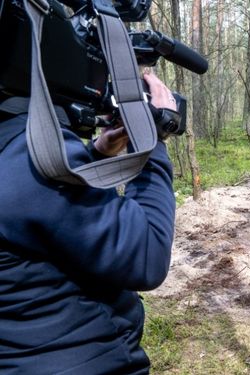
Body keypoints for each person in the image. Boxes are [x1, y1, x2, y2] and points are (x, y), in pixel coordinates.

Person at [0, 70, 177, 374]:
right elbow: (147, 255)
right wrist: (153, 141)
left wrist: (93, 156)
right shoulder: (25, 154)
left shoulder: (12, 153)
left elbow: (44, 213)